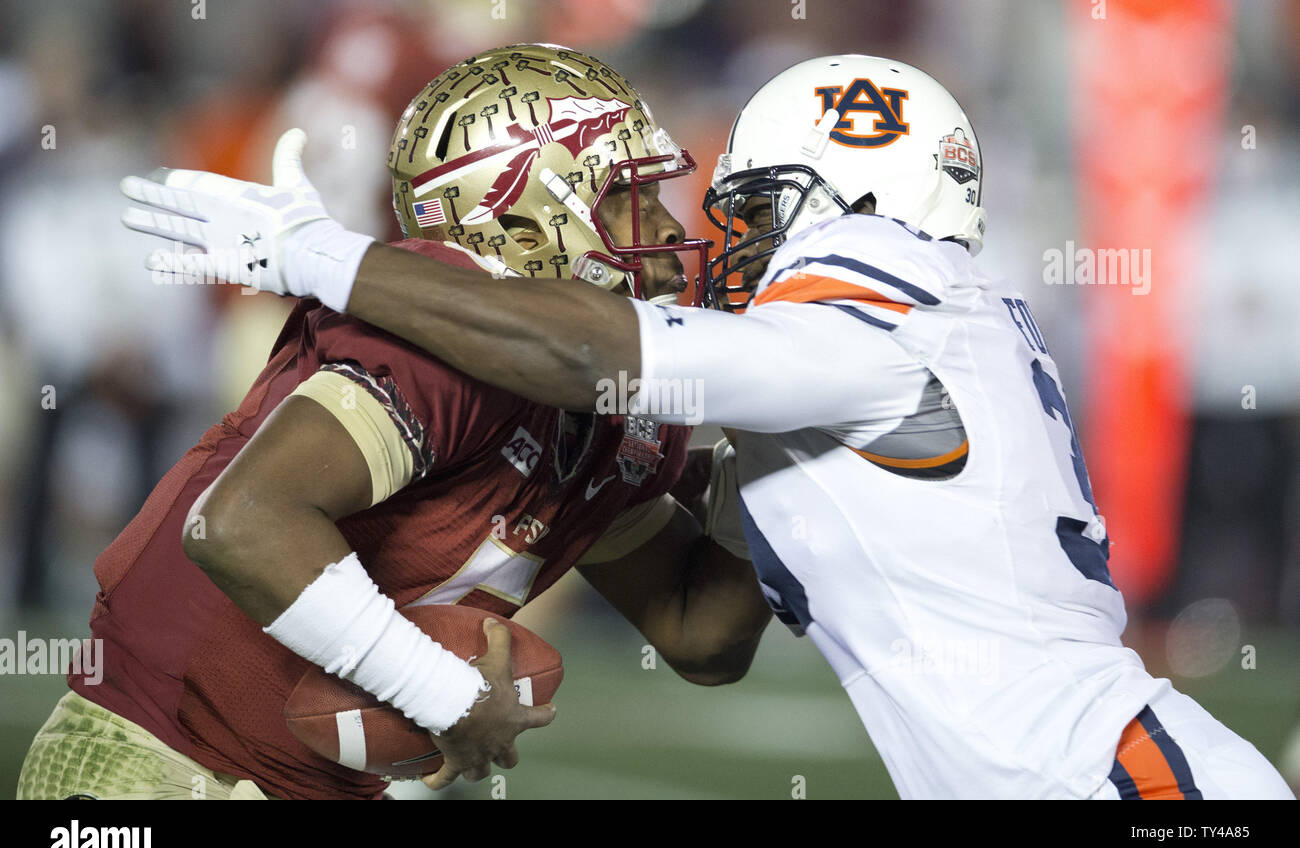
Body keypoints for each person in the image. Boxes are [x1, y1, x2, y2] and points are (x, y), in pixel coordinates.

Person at [120, 53, 1294, 799]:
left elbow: (588, 352)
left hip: (1123, 788)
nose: (712, 240)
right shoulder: (919, 315)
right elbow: (706, 629)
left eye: (753, 208)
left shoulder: (876, 283)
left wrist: (315, 253)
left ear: (846, 203)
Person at [18, 44, 768, 801]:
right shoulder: (434, 337)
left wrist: (769, 444)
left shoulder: (608, 394)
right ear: (525, 216)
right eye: (625, 197)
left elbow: (699, 634)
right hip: (162, 766)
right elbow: (242, 524)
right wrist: (445, 696)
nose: (671, 232)